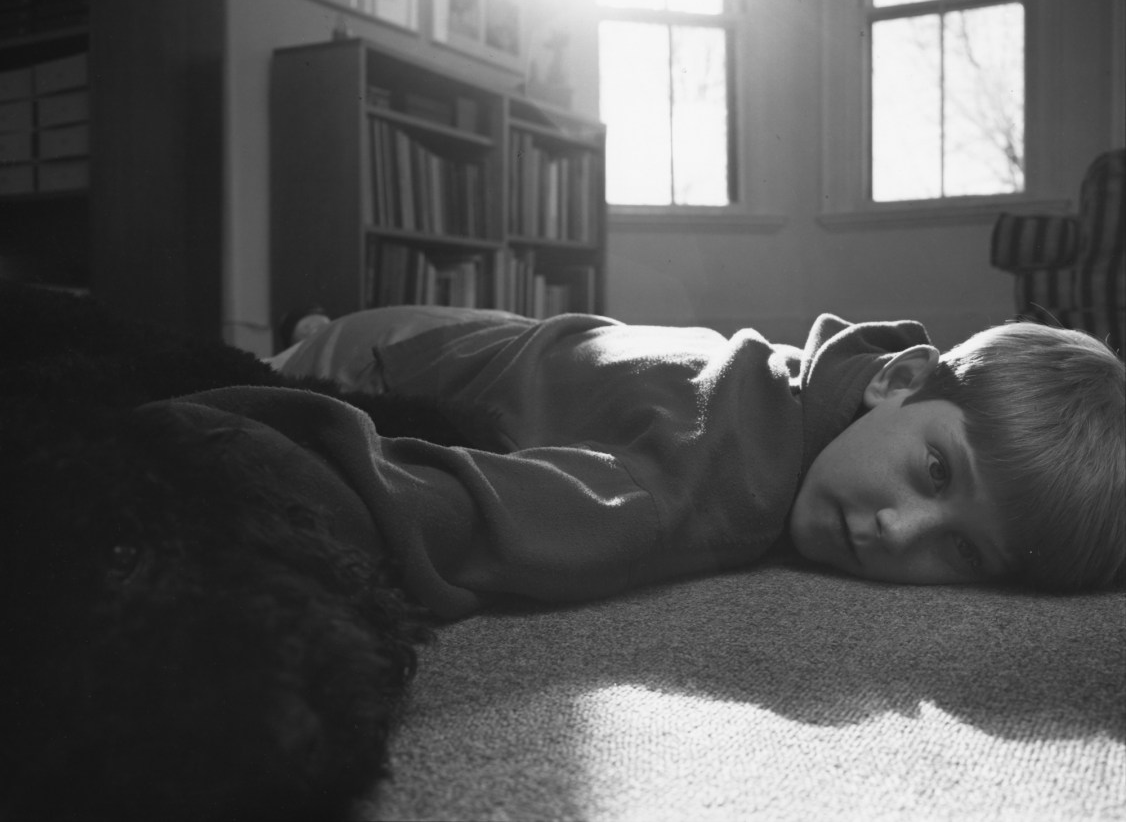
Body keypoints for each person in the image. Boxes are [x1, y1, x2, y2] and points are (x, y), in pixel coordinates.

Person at [164, 306, 1124, 620]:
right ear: (903, 382)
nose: (897, 531)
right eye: (935, 473)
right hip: (383, 358)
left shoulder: (822, 382)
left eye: (960, 553)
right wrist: (251, 468)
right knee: (281, 354)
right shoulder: (719, 482)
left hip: (488, 335)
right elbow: (480, 511)